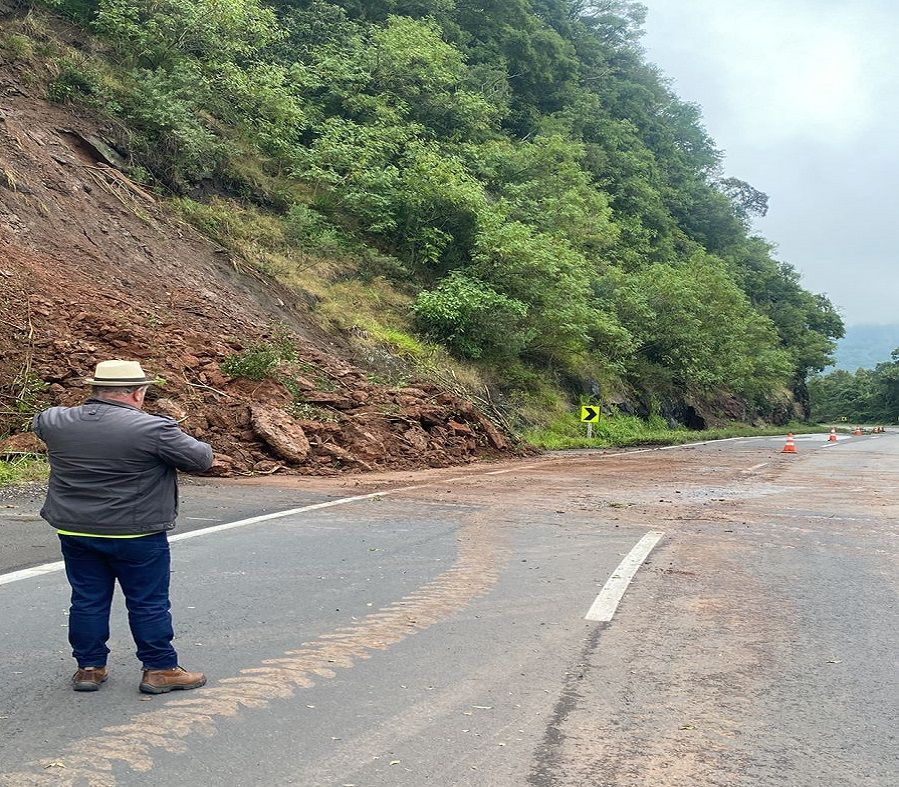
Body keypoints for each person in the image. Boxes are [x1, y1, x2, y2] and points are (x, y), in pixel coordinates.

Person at [32, 359, 214, 694]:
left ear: (95, 389)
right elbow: (201, 459)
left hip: (76, 530)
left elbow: (39, 423)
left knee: (86, 599)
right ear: (138, 393)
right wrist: (169, 426)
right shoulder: (152, 429)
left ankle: (89, 668)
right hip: (137, 533)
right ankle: (159, 669)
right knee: (148, 601)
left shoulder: (55, 420)